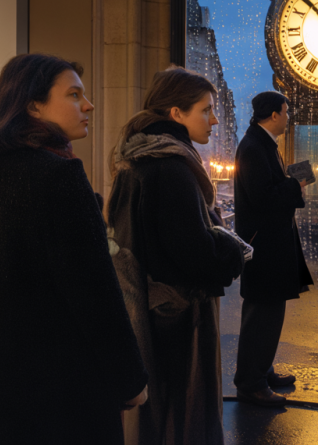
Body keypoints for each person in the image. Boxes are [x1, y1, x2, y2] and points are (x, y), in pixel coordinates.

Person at [0, 53, 148, 445]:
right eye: (74, 95)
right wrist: (130, 380)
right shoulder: (59, 175)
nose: (88, 105)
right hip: (60, 394)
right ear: (33, 104)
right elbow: (96, 294)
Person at [106, 66, 248, 445]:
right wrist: (232, 249)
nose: (214, 119)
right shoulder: (172, 168)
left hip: (154, 311)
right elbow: (194, 253)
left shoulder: (139, 160)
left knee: (160, 414)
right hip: (181, 318)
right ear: (176, 113)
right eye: (206, 109)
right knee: (184, 419)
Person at [232, 91, 314, 407]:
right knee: (262, 315)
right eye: (286, 111)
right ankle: (251, 383)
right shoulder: (255, 148)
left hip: (266, 245)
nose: (289, 117)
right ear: (274, 115)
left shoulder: (259, 144)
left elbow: (262, 192)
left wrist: (290, 180)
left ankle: (261, 371)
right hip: (265, 247)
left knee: (265, 313)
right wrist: (297, 183)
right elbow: (263, 199)